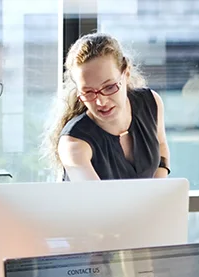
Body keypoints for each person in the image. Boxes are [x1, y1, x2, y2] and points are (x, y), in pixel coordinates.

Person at [47, 33, 170, 181]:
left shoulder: (151, 103)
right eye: (88, 92)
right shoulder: (73, 144)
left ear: (126, 73)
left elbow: (161, 145)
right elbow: (98, 200)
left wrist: (160, 191)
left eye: (109, 87)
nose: (101, 102)